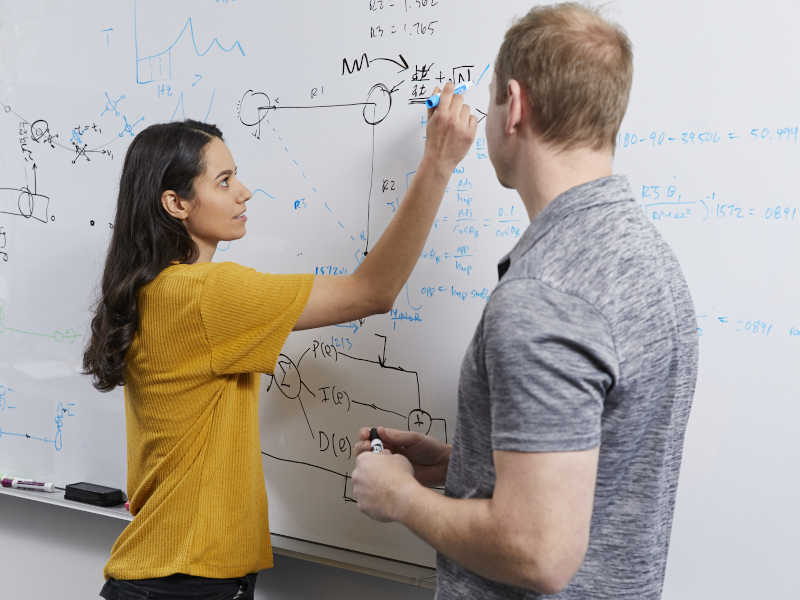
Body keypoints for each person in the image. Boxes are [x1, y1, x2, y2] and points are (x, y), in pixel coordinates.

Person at [351, 4, 698, 599]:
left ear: (516, 105)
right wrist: (460, 466)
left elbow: (539, 553)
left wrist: (402, 496)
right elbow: (594, 463)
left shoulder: (544, 295)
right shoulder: (648, 258)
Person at [83, 83, 477, 599]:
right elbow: (372, 292)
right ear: (175, 203)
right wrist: (438, 163)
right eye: (224, 181)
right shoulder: (203, 296)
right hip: (181, 584)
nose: (244, 191)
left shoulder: (157, 289)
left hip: (166, 576)